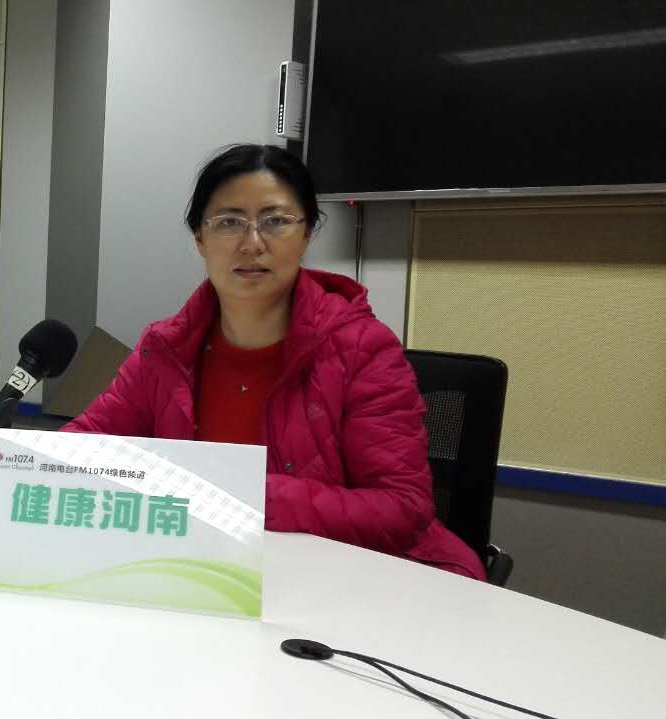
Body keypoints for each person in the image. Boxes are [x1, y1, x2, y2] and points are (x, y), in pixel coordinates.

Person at [63, 144, 485, 581]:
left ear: (307, 234)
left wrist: (243, 496)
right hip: (212, 574)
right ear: (200, 240)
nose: (252, 243)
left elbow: (402, 508)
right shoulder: (165, 349)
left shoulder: (363, 350)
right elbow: (78, 449)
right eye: (229, 222)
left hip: (346, 581)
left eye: (276, 221)